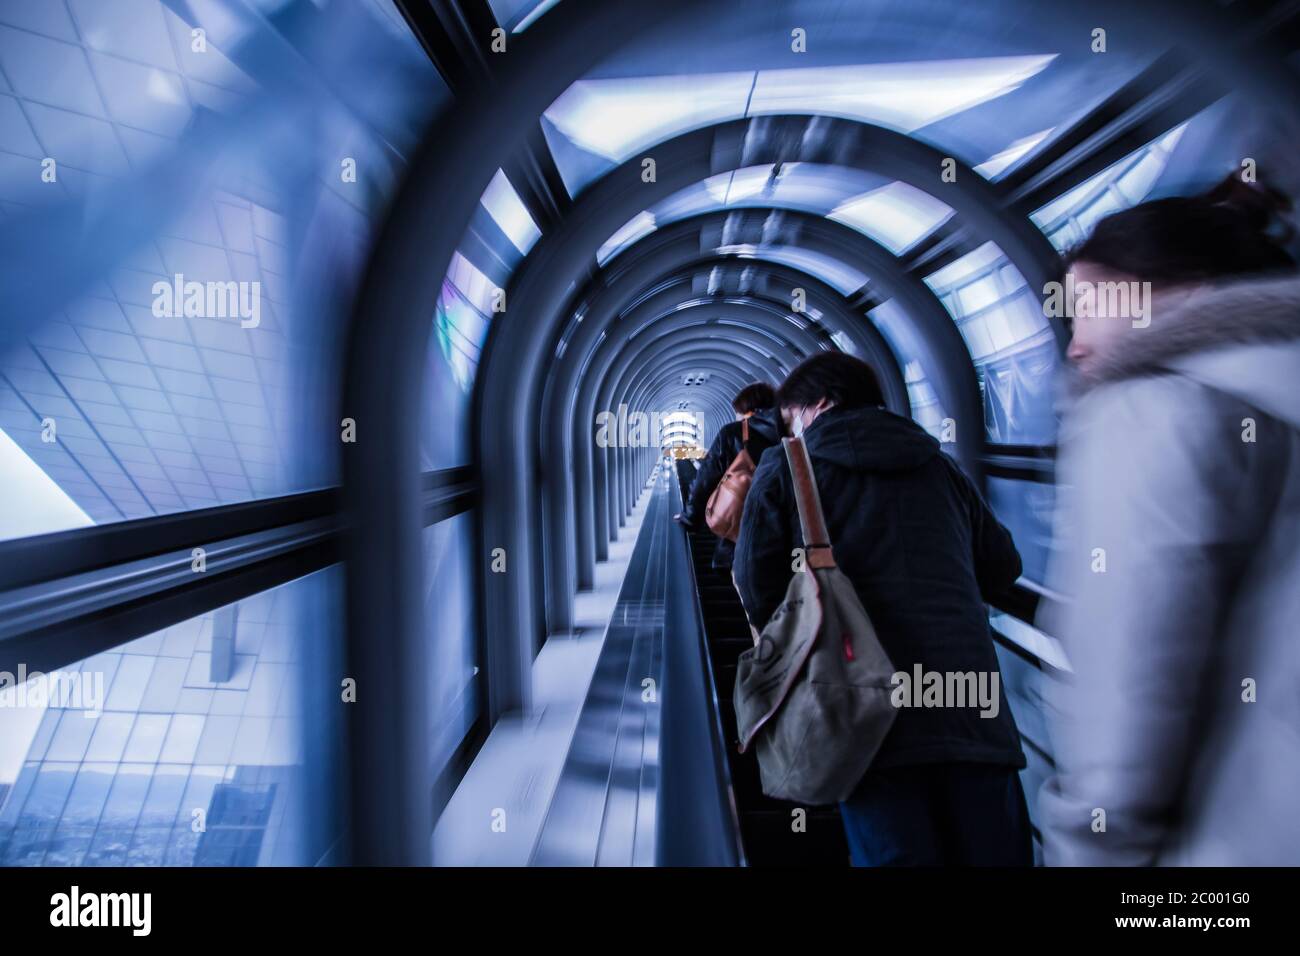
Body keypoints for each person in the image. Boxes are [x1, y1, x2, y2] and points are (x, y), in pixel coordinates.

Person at [1038, 175, 1300, 865]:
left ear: (1177, 287)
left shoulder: (1155, 408)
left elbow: (1129, 689)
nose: (1075, 345)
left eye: (1087, 305)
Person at [732, 352, 1031, 866]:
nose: (789, 431)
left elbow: (754, 583)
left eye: (791, 418)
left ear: (820, 404)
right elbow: (1001, 567)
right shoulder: (941, 465)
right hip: (974, 713)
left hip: (863, 711)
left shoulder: (789, 465)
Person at [675, 382, 782, 569]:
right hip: (784, 533)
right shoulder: (791, 433)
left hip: (742, 532)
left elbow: (705, 479)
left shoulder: (733, 433)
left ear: (748, 411)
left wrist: (690, 517)